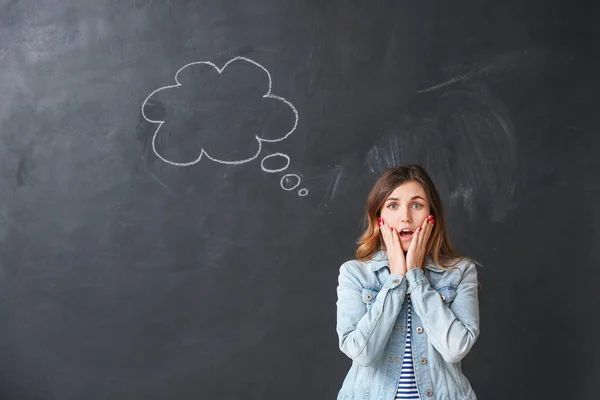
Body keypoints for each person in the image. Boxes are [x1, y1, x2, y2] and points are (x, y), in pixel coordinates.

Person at [336, 164, 480, 400]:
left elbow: (455, 349)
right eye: (393, 205)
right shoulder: (355, 273)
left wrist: (415, 276)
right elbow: (362, 353)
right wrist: (396, 280)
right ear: (378, 216)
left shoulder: (460, 272)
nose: (406, 217)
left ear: (431, 215)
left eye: (417, 205)